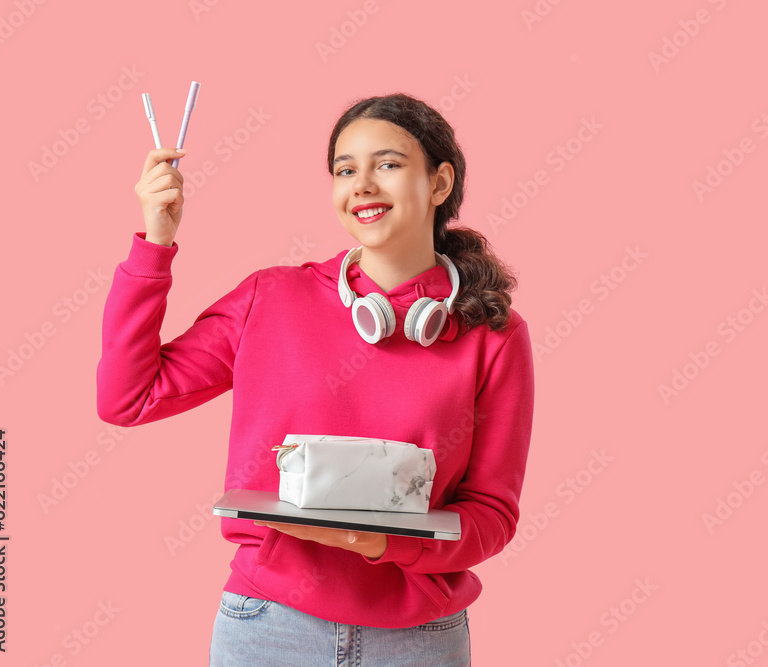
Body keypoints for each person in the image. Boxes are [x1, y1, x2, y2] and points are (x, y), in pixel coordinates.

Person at [96, 92, 535, 666]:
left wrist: (383, 544)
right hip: (268, 627)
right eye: (345, 170)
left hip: (418, 641)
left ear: (440, 182)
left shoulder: (495, 335)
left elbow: (491, 516)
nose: (362, 185)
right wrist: (155, 245)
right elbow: (128, 397)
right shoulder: (271, 297)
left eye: (388, 164)